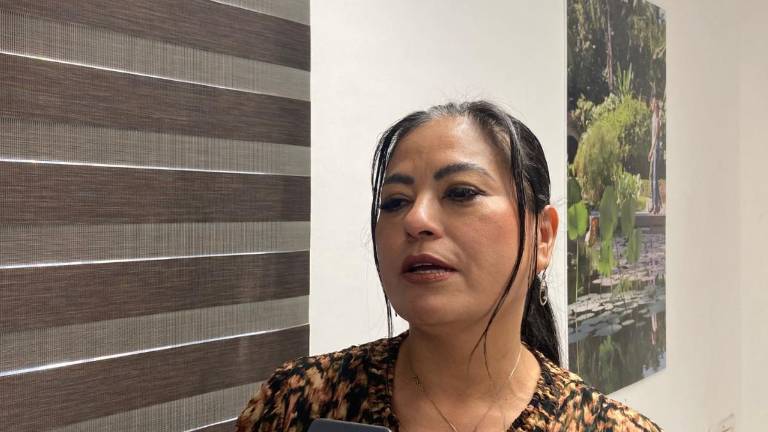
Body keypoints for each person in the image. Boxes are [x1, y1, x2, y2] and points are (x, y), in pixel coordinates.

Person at [235, 101, 663, 432]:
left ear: (543, 236)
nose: (416, 219)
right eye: (395, 202)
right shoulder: (297, 402)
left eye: (460, 193)